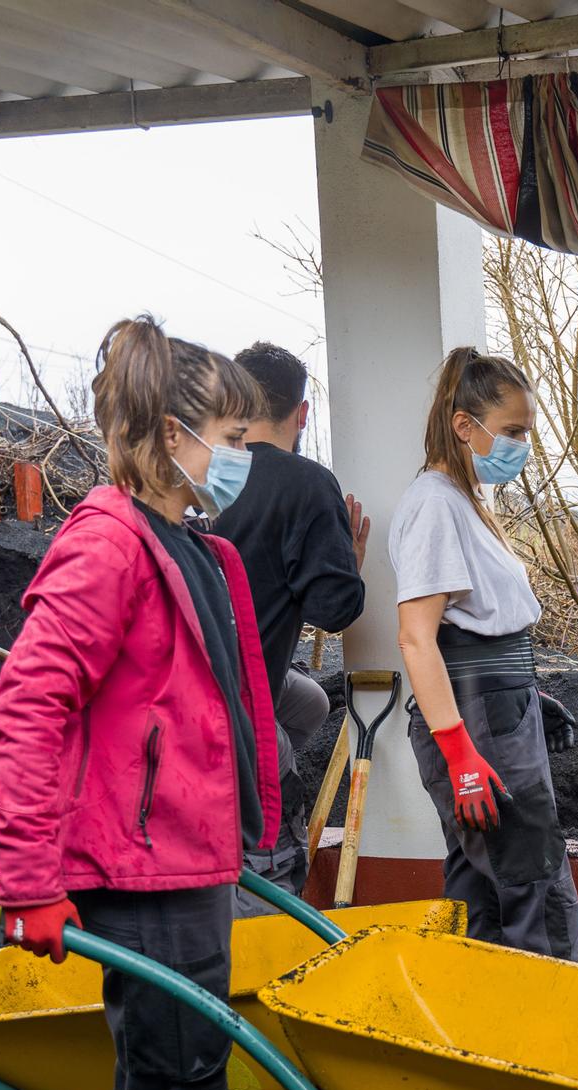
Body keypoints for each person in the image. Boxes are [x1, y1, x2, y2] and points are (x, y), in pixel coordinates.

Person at [0, 316, 281, 1090]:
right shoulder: (108, 543)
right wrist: (27, 879)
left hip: (186, 859)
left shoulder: (177, 540)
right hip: (140, 869)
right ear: (171, 433)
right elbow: (27, 705)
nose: (244, 459)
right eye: (232, 439)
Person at [389, 347, 578, 961]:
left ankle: (482, 1038)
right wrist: (460, 753)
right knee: (535, 886)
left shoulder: (466, 501)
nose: (522, 446)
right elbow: (419, 637)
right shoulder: (436, 505)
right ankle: (558, 1035)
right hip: (477, 724)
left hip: (497, 708)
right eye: (513, 432)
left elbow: (478, 624)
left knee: (486, 885)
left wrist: (525, 690)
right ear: (464, 425)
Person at [210, 341, 367, 904]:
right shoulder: (305, 482)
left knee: (310, 703)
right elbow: (332, 609)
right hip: (234, 702)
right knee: (271, 857)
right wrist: (345, 562)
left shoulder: (202, 476)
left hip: (195, 684)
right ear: (301, 414)